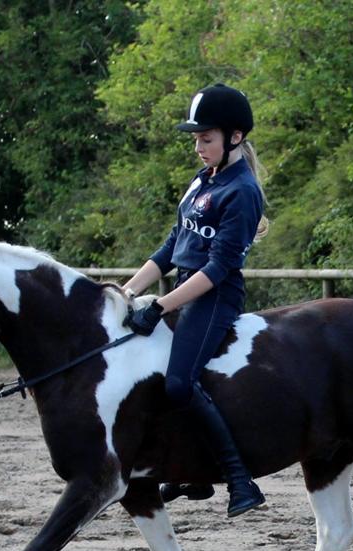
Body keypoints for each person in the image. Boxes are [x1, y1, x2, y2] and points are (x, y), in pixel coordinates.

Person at [122, 83, 268, 518]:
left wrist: (162, 306)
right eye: (196, 139)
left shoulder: (242, 191)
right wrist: (126, 291)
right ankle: (191, 472)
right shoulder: (203, 181)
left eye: (207, 139)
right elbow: (170, 249)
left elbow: (218, 268)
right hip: (184, 288)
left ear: (234, 137)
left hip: (213, 297)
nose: (199, 147)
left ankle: (239, 479)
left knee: (179, 383)